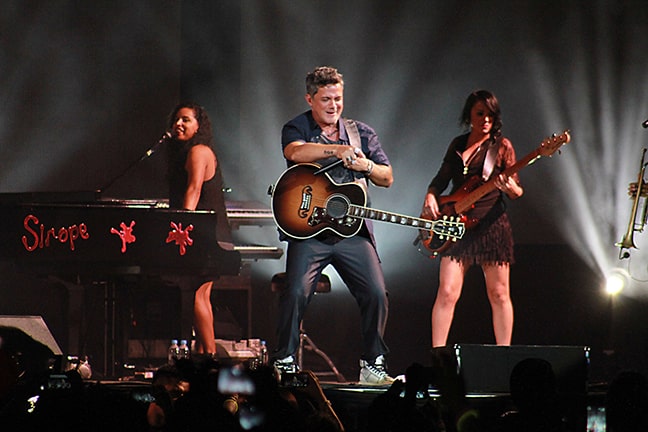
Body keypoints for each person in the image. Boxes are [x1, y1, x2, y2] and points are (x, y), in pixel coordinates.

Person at [273, 66, 394, 385]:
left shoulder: (361, 133)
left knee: (376, 293)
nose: (333, 105)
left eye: (338, 98)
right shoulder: (297, 126)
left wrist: (367, 165)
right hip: (310, 230)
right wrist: (337, 150)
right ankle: (284, 360)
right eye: (326, 99)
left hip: (352, 231)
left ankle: (372, 364)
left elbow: (387, 177)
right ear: (310, 99)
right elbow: (295, 152)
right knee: (296, 291)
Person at [421, 90, 523, 348]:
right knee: (447, 292)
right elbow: (441, 179)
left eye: (491, 115)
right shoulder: (458, 144)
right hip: (456, 224)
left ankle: (504, 354)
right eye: (480, 113)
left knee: (499, 293)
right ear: (469, 115)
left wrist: (510, 188)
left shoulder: (502, 146)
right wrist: (430, 196)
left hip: (491, 226)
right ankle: (438, 355)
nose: (486, 119)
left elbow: (516, 191)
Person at [166, 102, 234, 356]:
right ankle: (205, 353)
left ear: (199, 125)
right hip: (206, 232)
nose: (178, 124)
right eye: (176, 119)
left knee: (196, 294)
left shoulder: (198, 151)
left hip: (204, 234)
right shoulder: (192, 151)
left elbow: (194, 190)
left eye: (185, 120)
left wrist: (183, 227)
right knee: (200, 294)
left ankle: (209, 355)